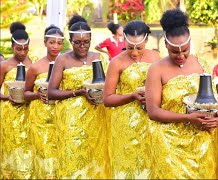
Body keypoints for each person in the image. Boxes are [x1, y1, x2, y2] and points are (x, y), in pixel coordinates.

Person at [145, 9, 218, 179]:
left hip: (202, 141)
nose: (181, 56)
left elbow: (213, 100)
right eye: (174, 52)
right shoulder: (156, 69)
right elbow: (153, 111)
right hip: (169, 144)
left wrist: (215, 117)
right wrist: (187, 118)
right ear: (166, 45)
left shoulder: (202, 63)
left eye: (185, 50)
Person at [47, 15, 110, 179]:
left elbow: (108, 84)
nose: (82, 46)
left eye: (86, 42)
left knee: (96, 156)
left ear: (90, 40)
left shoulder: (98, 58)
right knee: (74, 159)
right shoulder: (62, 60)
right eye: (77, 42)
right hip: (71, 120)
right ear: (70, 40)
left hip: (97, 116)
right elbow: (51, 92)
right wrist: (78, 92)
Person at [103, 20, 160, 179]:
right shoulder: (116, 62)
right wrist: (132, 96)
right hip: (126, 124)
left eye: (139, 48)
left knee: (150, 165)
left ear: (147, 41)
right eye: (130, 47)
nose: (134, 53)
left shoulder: (155, 57)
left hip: (152, 120)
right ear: (124, 41)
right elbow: (107, 99)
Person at [24, 25, 64, 179]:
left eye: (59, 43)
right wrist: (37, 95)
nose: (55, 46)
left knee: (61, 154)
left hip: (61, 116)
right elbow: (26, 93)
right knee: (45, 154)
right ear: (45, 42)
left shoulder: (67, 64)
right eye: (51, 42)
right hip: (41, 118)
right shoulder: (35, 67)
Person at [0, 22, 33, 179]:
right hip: (10, 112)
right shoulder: (5, 66)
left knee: (27, 146)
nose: (23, 52)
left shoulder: (32, 63)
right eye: (19, 49)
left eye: (26, 48)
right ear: (12, 47)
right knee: (12, 146)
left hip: (29, 111)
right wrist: (8, 97)